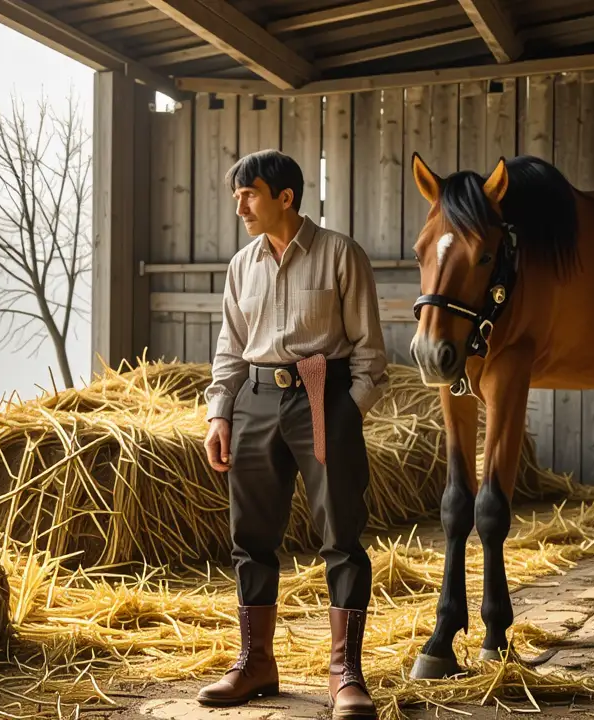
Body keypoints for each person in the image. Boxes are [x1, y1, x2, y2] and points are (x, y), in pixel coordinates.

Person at [197, 149, 388, 719]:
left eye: (249, 195)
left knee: (341, 536)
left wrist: (346, 413)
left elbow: (371, 352)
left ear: (285, 198)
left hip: (323, 397)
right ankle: (255, 663)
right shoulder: (241, 265)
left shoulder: (341, 254)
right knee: (250, 537)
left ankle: (345, 674)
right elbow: (230, 348)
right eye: (237, 196)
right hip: (255, 400)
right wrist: (219, 414)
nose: (240, 208)